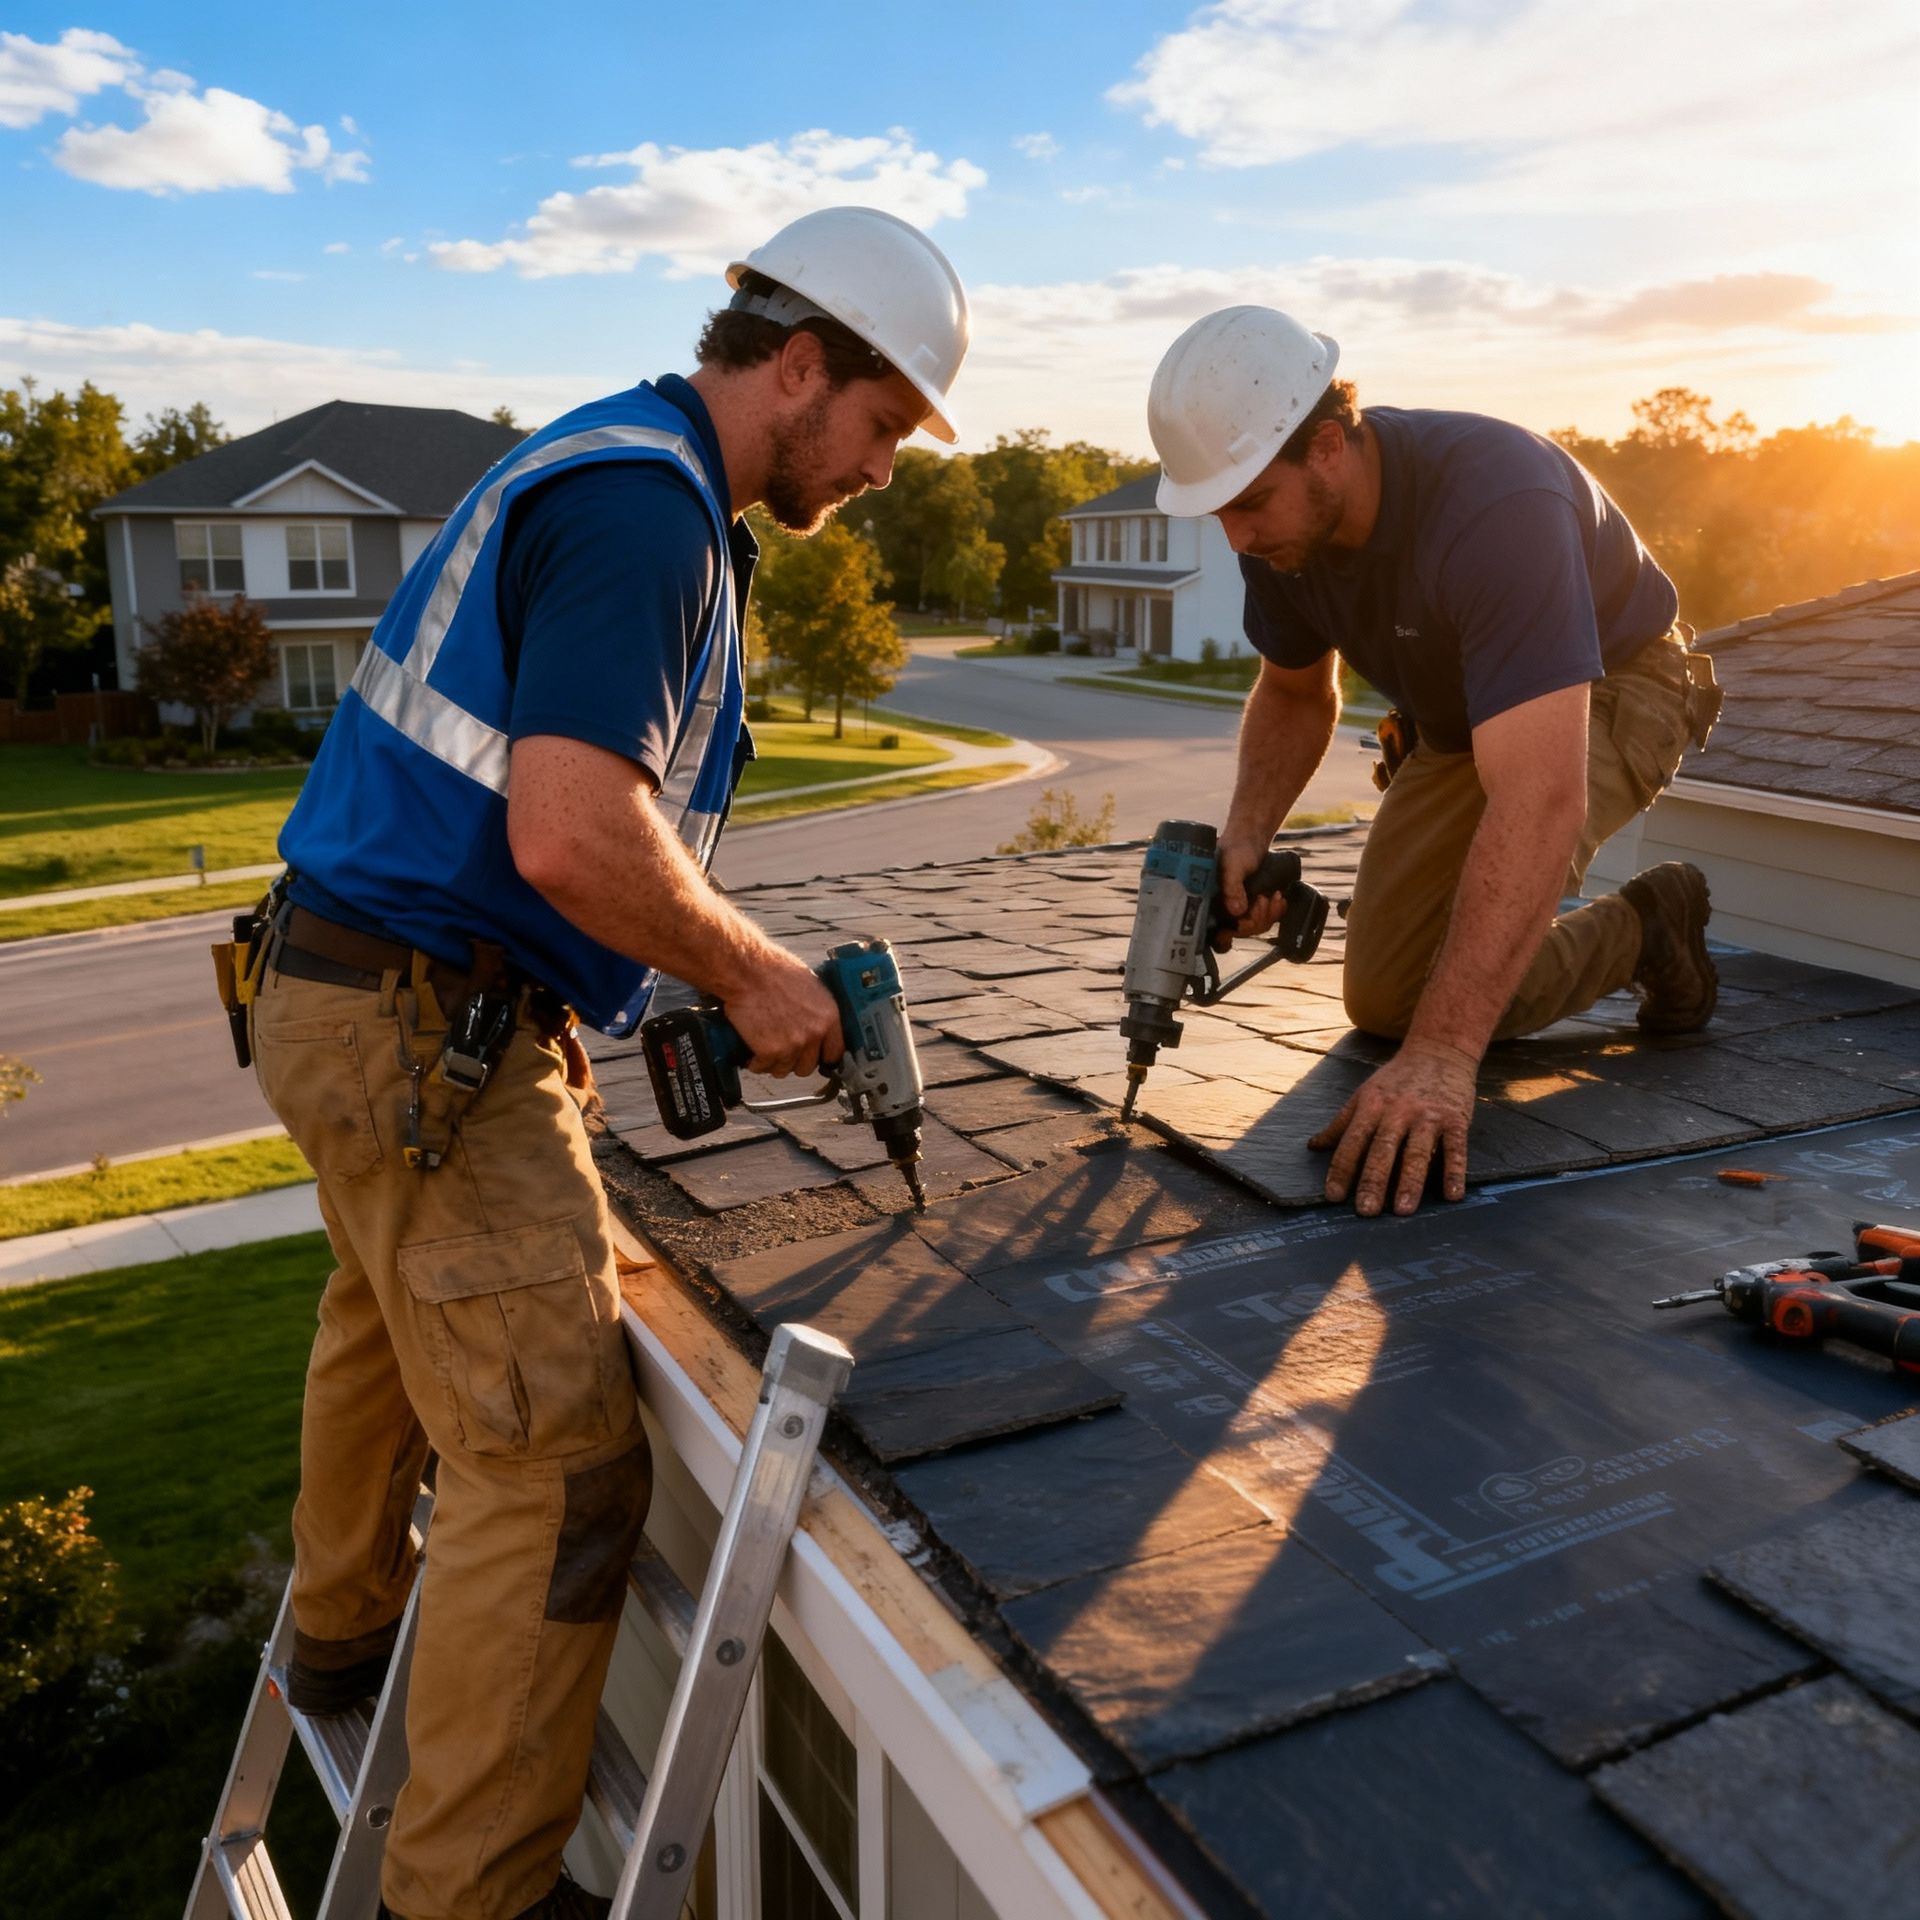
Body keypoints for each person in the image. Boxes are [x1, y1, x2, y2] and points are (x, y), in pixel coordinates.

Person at [231, 206, 968, 1920]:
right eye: (879, 428)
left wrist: (646, 974)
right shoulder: (649, 520)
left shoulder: (610, 464)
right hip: (427, 1028)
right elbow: (573, 831)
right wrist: (756, 968)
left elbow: (550, 828)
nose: (880, 471)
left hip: (345, 993)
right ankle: (469, 1892)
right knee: (556, 1456)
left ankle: (341, 1636)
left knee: (382, 1310)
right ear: (800, 366)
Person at [1146, 306, 1722, 1222]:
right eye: (1219, 510)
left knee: (1443, 1016)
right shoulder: (1283, 536)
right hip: (1466, 718)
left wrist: (1447, 1059)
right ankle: (1615, 936)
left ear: (1328, 447)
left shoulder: (1498, 506)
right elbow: (1296, 693)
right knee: (1385, 1002)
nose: (1237, 539)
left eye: (1248, 505)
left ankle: (1649, 927)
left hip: (1614, 687)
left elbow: (1538, 797)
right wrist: (1247, 835)